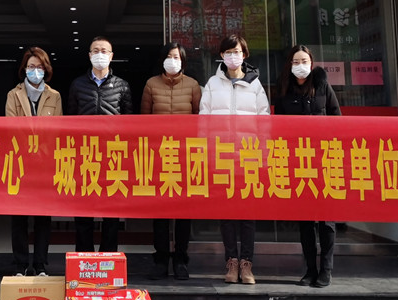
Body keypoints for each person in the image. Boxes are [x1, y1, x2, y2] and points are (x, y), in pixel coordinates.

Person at [199, 34, 270, 284]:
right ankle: (231, 261)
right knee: (226, 213)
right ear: (221, 55)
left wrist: (263, 155)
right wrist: (206, 153)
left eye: (237, 52)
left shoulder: (255, 85)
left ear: (244, 54)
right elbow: (204, 121)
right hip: (222, 158)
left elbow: (264, 122)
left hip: (248, 157)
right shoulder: (212, 84)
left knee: (248, 214)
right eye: (228, 52)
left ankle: (247, 263)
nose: (232, 56)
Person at [272, 45, 341, 288]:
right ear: (289, 65)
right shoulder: (283, 90)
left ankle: (326, 269)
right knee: (305, 219)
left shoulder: (322, 85)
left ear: (311, 63)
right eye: (295, 61)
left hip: (325, 159)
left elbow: (336, 116)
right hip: (299, 161)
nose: (300, 65)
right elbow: (278, 127)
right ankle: (310, 269)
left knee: (327, 219)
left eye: (304, 61)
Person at [141, 42, 201, 281]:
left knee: (184, 211)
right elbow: (143, 121)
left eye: (176, 57)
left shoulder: (193, 85)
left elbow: (199, 120)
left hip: (185, 156)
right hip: (159, 156)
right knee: (160, 211)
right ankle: (161, 259)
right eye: (169, 56)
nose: (172, 60)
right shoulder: (151, 84)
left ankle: (181, 259)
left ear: (183, 61)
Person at [68, 35, 133, 252]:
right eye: (95, 51)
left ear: (111, 56)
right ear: (89, 55)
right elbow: (70, 119)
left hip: (112, 156)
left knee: (111, 212)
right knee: (83, 211)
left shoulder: (122, 86)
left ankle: (108, 256)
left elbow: (129, 122)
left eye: (104, 51)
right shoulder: (77, 84)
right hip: (84, 155)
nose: (100, 55)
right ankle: (84, 256)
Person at [5, 46, 62, 276]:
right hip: (20, 162)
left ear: (45, 69)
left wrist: (43, 150)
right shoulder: (14, 94)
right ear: (24, 69)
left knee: (43, 216)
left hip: (45, 164)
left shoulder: (54, 96)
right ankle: (20, 264)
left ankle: (40, 264)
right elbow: (11, 127)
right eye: (31, 67)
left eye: (39, 67)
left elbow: (58, 130)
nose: (35, 71)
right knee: (19, 216)